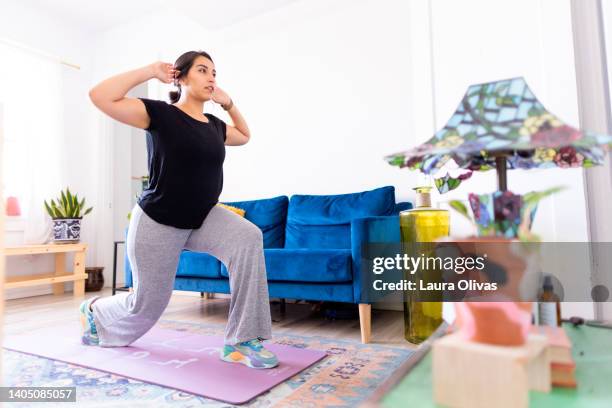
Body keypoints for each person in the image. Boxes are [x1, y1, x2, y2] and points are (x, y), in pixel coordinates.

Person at [82, 50, 278, 369]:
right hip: (158, 220)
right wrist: (149, 70)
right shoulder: (160, 115)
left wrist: (228, 104)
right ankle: (94, 311)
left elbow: (244, 136)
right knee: (145, 307)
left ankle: (241, 341)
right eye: (202, 70)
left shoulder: (215, 125)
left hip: (202, 217)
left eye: (214, 72)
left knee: (248, 237)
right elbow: (100, 95)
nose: (211, 77)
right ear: (182, 77)